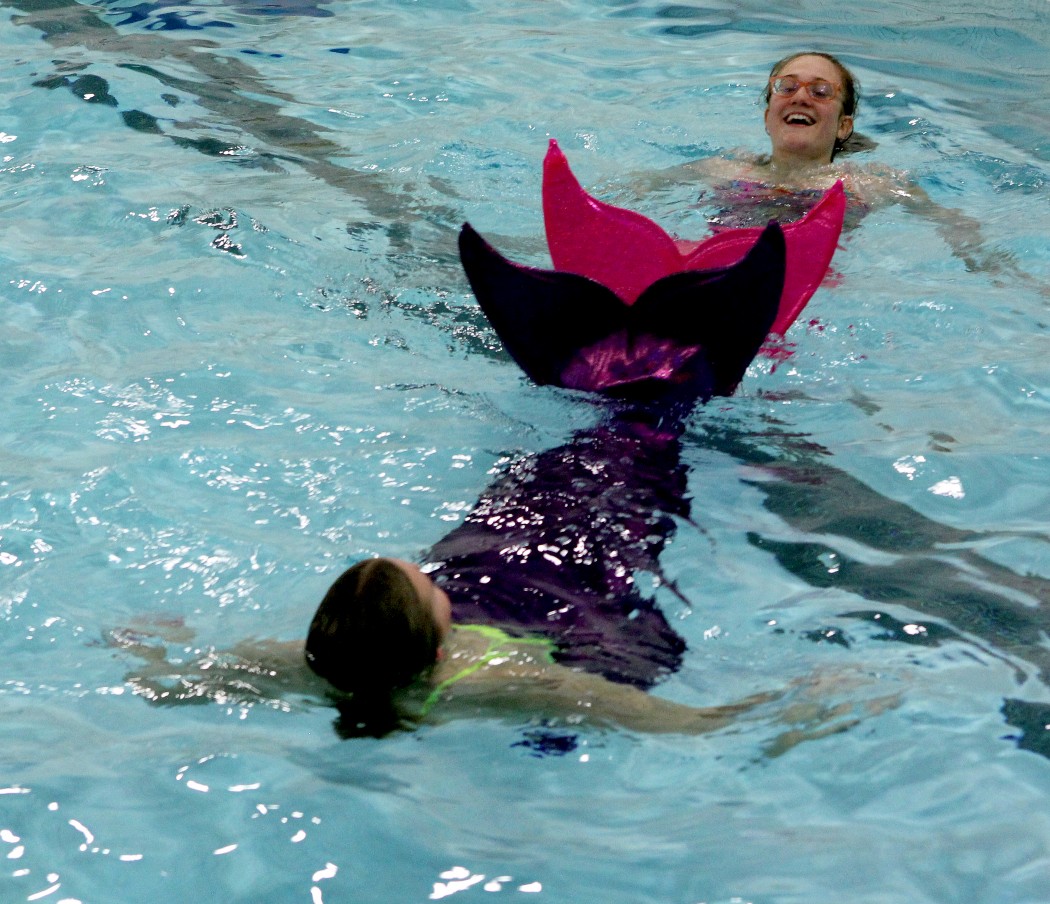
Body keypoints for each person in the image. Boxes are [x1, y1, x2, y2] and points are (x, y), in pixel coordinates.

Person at [656, 51, 1028, 278]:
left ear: (843, 126)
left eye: (820, 91)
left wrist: (1002, 273)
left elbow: (955, 225)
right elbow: (628, 195)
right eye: (786, 87)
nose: (801, 96)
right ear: (768, 115)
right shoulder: (723, 169)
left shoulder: (869, 184)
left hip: (809, 295)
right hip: (708, 275)